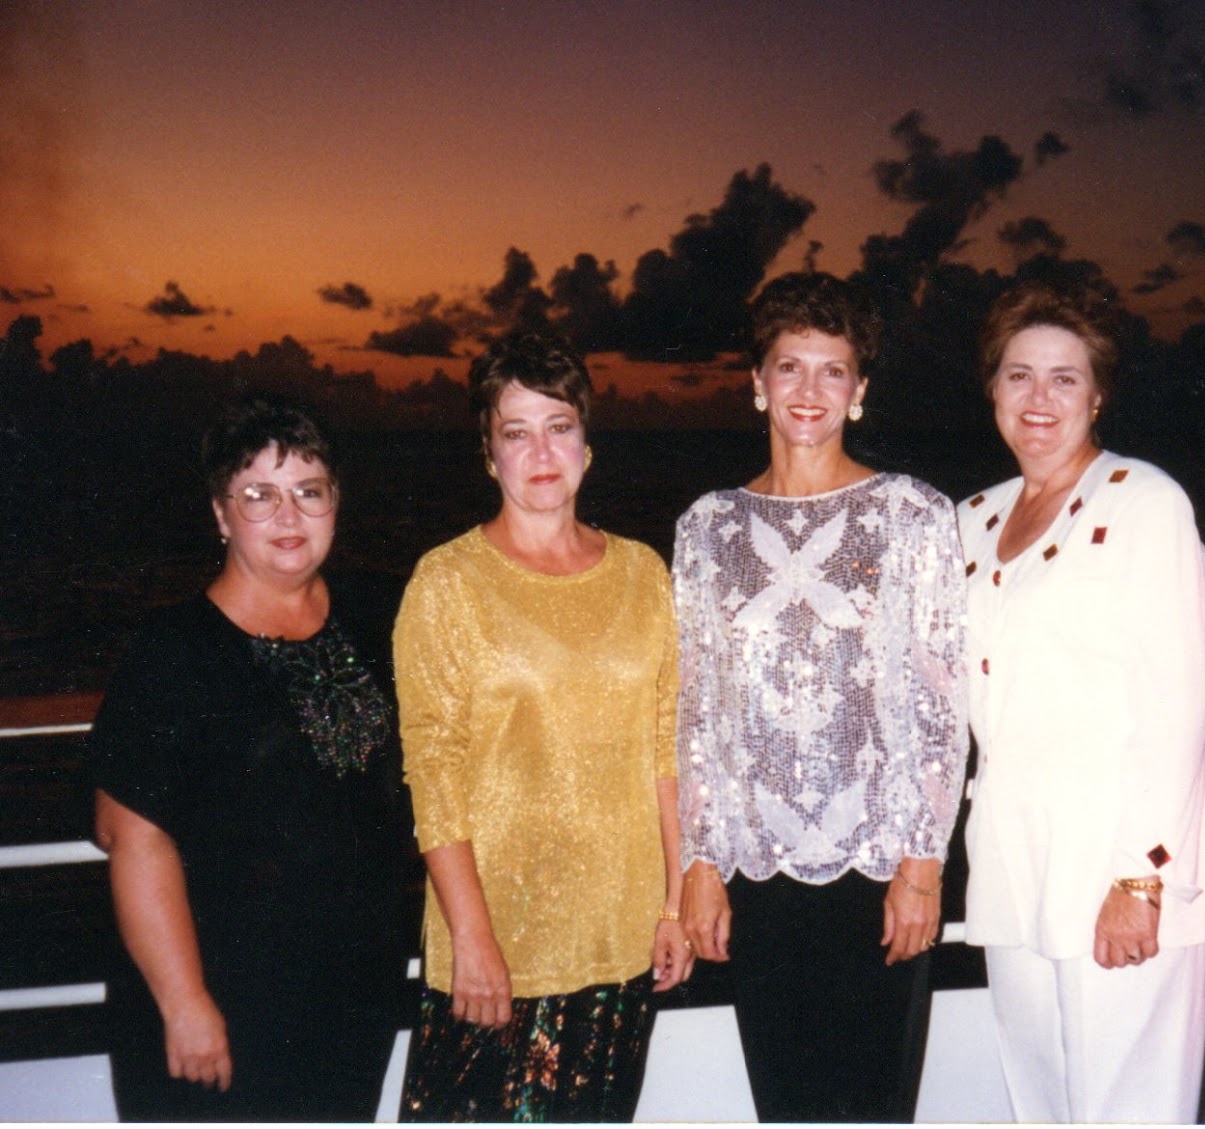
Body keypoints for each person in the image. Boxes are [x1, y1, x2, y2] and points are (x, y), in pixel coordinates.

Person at [673, 271, 968, 1122]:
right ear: (757, 382)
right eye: (790, 366)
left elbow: (941, 708)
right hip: (757, 874)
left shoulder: (912, 513)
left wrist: (922, 868)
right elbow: (698, 713)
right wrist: (701, 865)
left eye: (832, 369)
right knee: (785, 1104)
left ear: (859, 389)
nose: (810, 389)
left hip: (878, 871)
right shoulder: (707, 527)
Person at [87, 396, 416, 1121]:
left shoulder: (379, 614)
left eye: (309, 491)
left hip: (348, 999)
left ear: (336, 502)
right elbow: (132, 838)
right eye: (259, 495)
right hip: (219, 1007)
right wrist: (184, 1002)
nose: (288, 515)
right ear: (221, 514)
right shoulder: (173, 651)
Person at [394, 332, 689, 1123]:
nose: (542, 451)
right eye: (516, 432)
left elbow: (665, 748)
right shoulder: (447, 582)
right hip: (498, 942)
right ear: (489, 455)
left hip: (621, 936)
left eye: (559, 426)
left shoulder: (643, 573)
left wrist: (673, 905)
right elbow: (433, 772)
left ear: (587, 443)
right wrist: (471, 937)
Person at [957, 283, 1205, 1122]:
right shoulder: (972, 519)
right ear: (993, 389)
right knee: (1040, 1106)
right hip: (1013, 863)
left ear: (1098, 394)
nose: (1039, 398)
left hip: (1116, 865)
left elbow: (1179, 698)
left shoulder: (1144, 501)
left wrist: (1141, 875)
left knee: (1129, 1109)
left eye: (1064, 378)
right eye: (1019, 375)